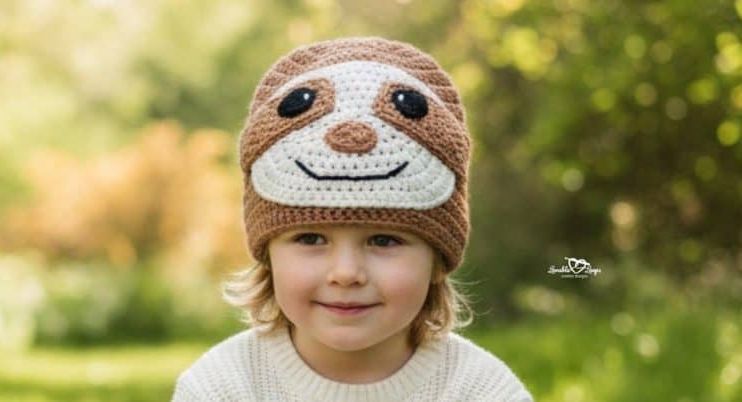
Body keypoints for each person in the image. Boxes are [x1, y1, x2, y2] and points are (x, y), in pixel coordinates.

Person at [171, 36, 534, 402]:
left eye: (384, 240)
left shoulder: (480, 391)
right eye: (311, 239)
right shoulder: (222, 388)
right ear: (268, 253)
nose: (345, 273)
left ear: (438, 259)